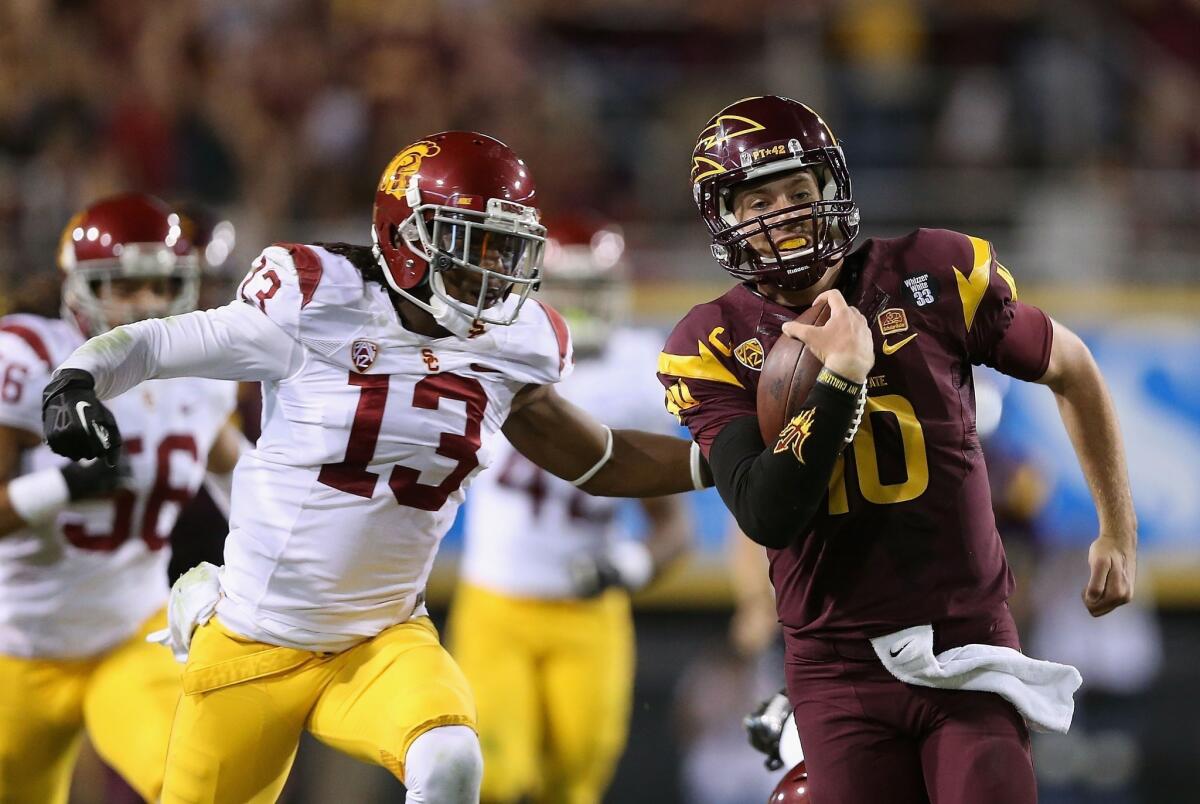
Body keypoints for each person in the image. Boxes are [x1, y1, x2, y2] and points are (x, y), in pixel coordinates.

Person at [41, 131, 711, 804]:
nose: (493, 268)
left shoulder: (514, 347)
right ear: (406, 237)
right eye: (471, 242)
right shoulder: (313, 301)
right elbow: (164, 343)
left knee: (450, 760)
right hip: (253, 637)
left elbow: (601, 459)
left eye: (504, 246)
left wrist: (722, 460)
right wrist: (76, 377)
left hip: (382, 638)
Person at [657, 95, 1137, 803]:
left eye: (799, 190)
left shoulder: (929, 274)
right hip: (837, 665)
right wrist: (842, 380)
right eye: (760, 200)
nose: (786, 212)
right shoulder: (714, 342)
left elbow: (1073, 366)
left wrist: (1118, 530)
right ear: (726, 219)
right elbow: (765, 511)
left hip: (967, 637)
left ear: (832, 189)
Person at [0, 192, 242, 803]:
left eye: (160, 287)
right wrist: (63, 486)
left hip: (133, 633)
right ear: (78, 288)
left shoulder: (196, 373)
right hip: (17, 644)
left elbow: (249, 485)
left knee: (193, 785)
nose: (144, 307)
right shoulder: (27, 360)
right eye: (123, 286)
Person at [447, 214, 691, 804]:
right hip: (495, 603)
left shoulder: (638, 373)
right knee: (494, 778)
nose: (581, 303)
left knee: (577, 778)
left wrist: (629, 568)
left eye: (593, 287)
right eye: (570, 286)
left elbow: (672, 527)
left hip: (589, 610)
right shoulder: (493, 351)